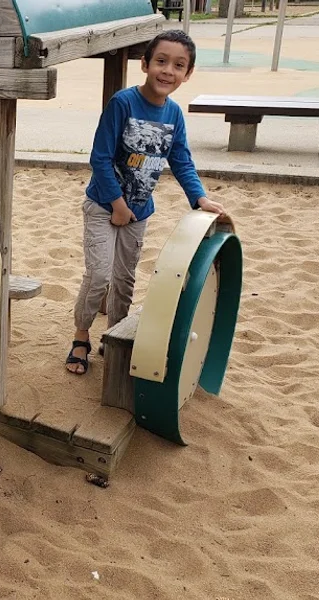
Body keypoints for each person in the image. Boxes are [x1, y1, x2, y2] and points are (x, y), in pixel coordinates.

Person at [65, 30, 225, 375]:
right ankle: (81, 334)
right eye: (161, 61)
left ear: (187, 73)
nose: (168, 71)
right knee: (99, 275)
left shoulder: (174, 115)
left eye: (178, 65)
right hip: (103, 206)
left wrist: (199, 197)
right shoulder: (123, 103)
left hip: (138, 213)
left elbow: (181, 160)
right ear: (145, 64)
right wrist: (117, 204)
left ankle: (115, 335)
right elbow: (100, 158)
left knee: (124, 280)